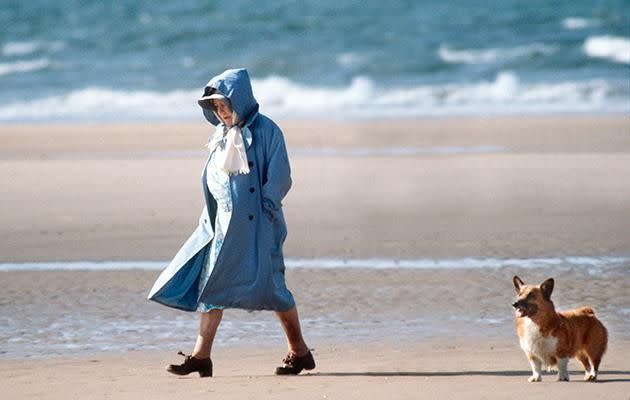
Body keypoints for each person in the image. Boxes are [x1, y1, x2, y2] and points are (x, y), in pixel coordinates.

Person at [147, 68, 315, 377]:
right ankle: (201, 356)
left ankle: (300, 351)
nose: (222, 113)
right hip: (223, 228)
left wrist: (266, 208)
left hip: (258, 228)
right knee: (214, 286)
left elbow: (280, 176)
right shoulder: (221, 134)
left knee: (274, 290)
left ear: (241, 100)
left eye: (226, 105)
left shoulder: (268, 131)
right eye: (217, 107)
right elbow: (215, 176)